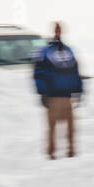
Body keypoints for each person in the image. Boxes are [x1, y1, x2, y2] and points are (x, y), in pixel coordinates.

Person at [34, 22, 83, 159]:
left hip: (67, 96)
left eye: (60, 31)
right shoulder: (44, 51)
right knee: (52, 129)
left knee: (71, 128)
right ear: (53, 31)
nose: (58, 33)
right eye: (56, 30)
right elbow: (38, 73)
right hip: (52, 97)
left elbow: (75, 71)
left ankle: (71, 153)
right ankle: (51, 155)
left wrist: (78, 91)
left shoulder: (69, 50)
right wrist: (42, 93)